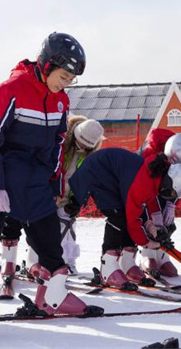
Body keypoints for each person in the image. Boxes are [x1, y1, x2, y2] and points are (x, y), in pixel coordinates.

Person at [0, 33, 99, 342]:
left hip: (36, 183)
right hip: (3, 178)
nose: (65, 83)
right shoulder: (11, 89)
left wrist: (54, 181)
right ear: (47, 64)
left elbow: (58, 142)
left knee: (48, 240)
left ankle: (54, 297)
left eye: (70, 79)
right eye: (63, 75)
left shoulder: (60, 100)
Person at [69, 146, 181, 289]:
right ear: (169, 182)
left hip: (112, 177)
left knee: (131, 216)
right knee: (118, 217)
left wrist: (151, 225)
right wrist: (146, 242)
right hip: (98, 173)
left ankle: (127, 264)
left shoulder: (157, 175)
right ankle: (108, 269)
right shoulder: (144, 182)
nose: (170, 196)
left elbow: (149, 202)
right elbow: (133, 220)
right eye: (172, 193)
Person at [21, 117, 105, 276]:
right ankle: (34, 261)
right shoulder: (59, 144)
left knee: (67, 226)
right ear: (75, 135)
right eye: (80, 143)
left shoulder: (89, 156)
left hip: (68, 196)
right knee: (42, 228)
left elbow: (86, 179)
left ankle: (68, 261)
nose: (82, 147)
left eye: (86, 146)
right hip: (49, 192)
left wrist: (77, 200)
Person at [137, 131, 181, 278]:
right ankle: (147, 254)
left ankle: (162, 256)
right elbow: (147, 190)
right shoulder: (149, 157)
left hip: (165, 189)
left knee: (165, 221)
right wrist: (155, 214)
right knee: (150, 220)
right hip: (145, 192)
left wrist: (172, 204)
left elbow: (180, 186)